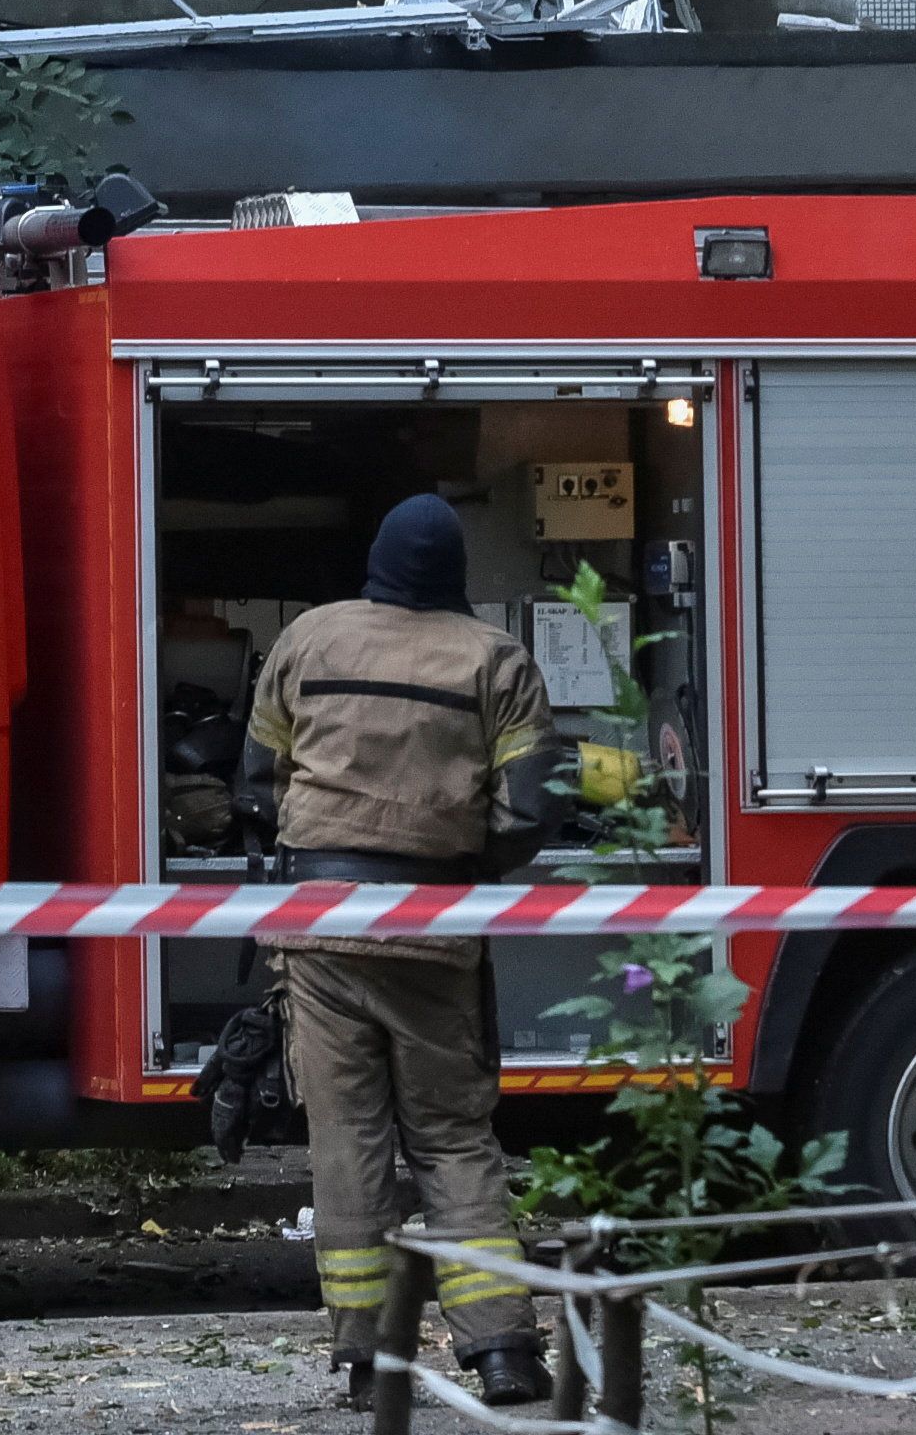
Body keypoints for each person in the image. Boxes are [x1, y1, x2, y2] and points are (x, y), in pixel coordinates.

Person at [242, 494, 558, 1412]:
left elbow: (257, 783)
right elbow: (532, 808)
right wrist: (464, 861)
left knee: (348, 1145)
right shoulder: (494, 658)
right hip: (434, 932)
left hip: (318, 928)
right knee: (455, 1140)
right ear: (455, 573)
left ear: (376, 561)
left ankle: (369, 1365)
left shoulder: (308, 639)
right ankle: (503, 1353)